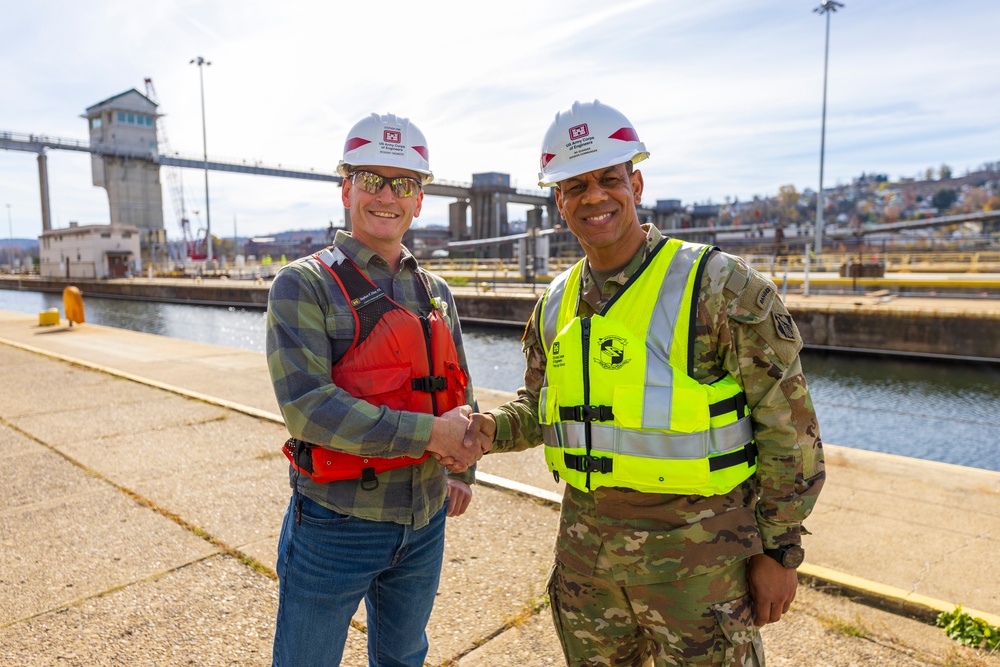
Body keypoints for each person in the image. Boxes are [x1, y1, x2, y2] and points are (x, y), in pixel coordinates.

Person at [465, 100, 826, 666]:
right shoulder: (555, 304)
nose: (594, 196)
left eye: (610, 179)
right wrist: (486, 428)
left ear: (635, 182)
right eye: (575, 185)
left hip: (701, 575)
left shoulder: (718, 287)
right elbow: (541, 407)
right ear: (558, 201)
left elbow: (790, 431)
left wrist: (780, 552)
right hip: (590, 570)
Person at [266, 112, 482, 667]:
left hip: (426, 518)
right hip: (337, 524)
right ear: (346, 188)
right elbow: (308, 410)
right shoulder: (302, 284)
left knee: (404, 656)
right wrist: (432, 435)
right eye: (371, 180)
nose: (386, 195)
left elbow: (461, 388)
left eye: (404, 183)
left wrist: (461, 470)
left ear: (419, 201)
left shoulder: (435, 292)